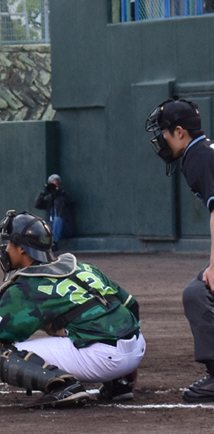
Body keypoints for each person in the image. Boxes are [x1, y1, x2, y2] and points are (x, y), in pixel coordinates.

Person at [0, 210, 145, 408]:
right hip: (136, 348)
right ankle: (119, 385)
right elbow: (131, 305)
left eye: (9, 242)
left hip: (101, 358)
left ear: (22, 250)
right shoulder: (84, 268)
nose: (6, 248)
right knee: (76, 321)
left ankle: (66, 387)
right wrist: (127, 362)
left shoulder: (27, 287)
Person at [145, 98, 214, 403]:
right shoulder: (204, 150)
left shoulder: (198, 156)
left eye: (165, 133)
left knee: (198, 293)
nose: (161, 140)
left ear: (181, 132)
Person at [34, 174, 73, 251]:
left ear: (60, 185)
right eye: (52, 185)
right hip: (51, 227)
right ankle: (43, 244)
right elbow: (37, 205)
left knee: (58, 220)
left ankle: (54, 243)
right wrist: (44, 192)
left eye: (56, 185)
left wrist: (60, 192)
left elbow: (71, 202)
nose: (54, 188)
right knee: (42, 224)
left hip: (64, 228)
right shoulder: (49, 198)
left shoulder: (63, 196)